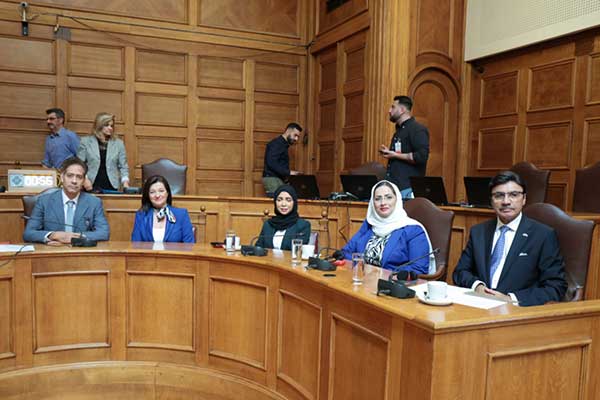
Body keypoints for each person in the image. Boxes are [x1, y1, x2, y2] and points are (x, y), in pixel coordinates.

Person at [453, 171, 567, 306]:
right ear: (491, 201)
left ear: (524, 199)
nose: (506, 201)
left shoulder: (543, 235)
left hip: (517, 311)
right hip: (478, 305)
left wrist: (510, 299)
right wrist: (477, 287)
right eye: (499, 195)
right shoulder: (479, 232)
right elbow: (460, 272)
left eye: (514, 195)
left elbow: (555, 286)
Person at [341, 180, 435, 276]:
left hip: (393, 282)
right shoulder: (369, 224)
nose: (383, 203)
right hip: (363, 279)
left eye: (388, 197)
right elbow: (346, 252)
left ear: (397, 200)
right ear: (372, 203)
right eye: (378, 199)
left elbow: (418, 268)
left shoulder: (413, 229)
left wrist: (384, 275)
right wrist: (343, 257)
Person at [23, 157, 110, 244]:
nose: (74, 181)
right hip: (54, 249)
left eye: (79, 177)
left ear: (83, 181)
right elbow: (29, 233)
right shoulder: (44, 201)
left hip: (81, 250)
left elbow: (104, 233)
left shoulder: (94, 202)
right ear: (62, 177)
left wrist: (76, 237)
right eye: (70, 175)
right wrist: (52, 235)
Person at [379, 96, 429, 199]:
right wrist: (390, 153)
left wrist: (395, 155)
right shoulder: (399, 130)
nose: (389, 111)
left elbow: (421, 156)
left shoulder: (417, 129)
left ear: (402, 110)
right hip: (394, 188)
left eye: (393, 107)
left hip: (408, 189)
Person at [131, 175, 195, 243]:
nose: (157, 195)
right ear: (148, 195)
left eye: (161, 191)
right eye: (152, 192)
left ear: (167, 193)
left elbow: (189, 245)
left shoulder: (181, 215)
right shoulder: (141, 215)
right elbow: (135, 244)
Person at [77, 112, 130, 192]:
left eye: (111, 126)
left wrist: (125, 182)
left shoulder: (118, 144)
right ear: (99, 125)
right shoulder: (85, 142)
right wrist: (85, 179)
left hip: (111, 185)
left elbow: (123, 166)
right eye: (107, 125)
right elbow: (79, 164)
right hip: (90, 184)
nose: (110, 128)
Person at [255, 184, 311, 250]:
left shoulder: (303, 225)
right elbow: (258, 247)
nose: (283, 204)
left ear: (294, 203)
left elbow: (298, 251)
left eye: (288, 200)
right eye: (279, 200)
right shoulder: (268, 224)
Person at [262, 122, 303, 195]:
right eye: (295, 135)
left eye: (298, 137)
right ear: (288, 131)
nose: (296, 139)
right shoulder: (276, 144)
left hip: (277, 179)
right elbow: (271, 162)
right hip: (272, 179)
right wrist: (288, 172)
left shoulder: (283, 144)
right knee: (277, 200)